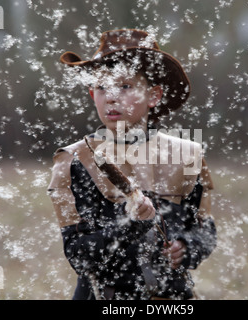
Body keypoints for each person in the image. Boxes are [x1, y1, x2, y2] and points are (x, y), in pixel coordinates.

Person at [48, 29, 217, 300]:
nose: (111, 97)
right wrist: (131, 225)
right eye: (102, 87)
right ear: (93, 95)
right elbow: (79, 256)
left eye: (125, 86)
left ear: (154, 95)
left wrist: (187, 247)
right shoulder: (75, 160)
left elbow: (205, 231)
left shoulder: (188, 154)